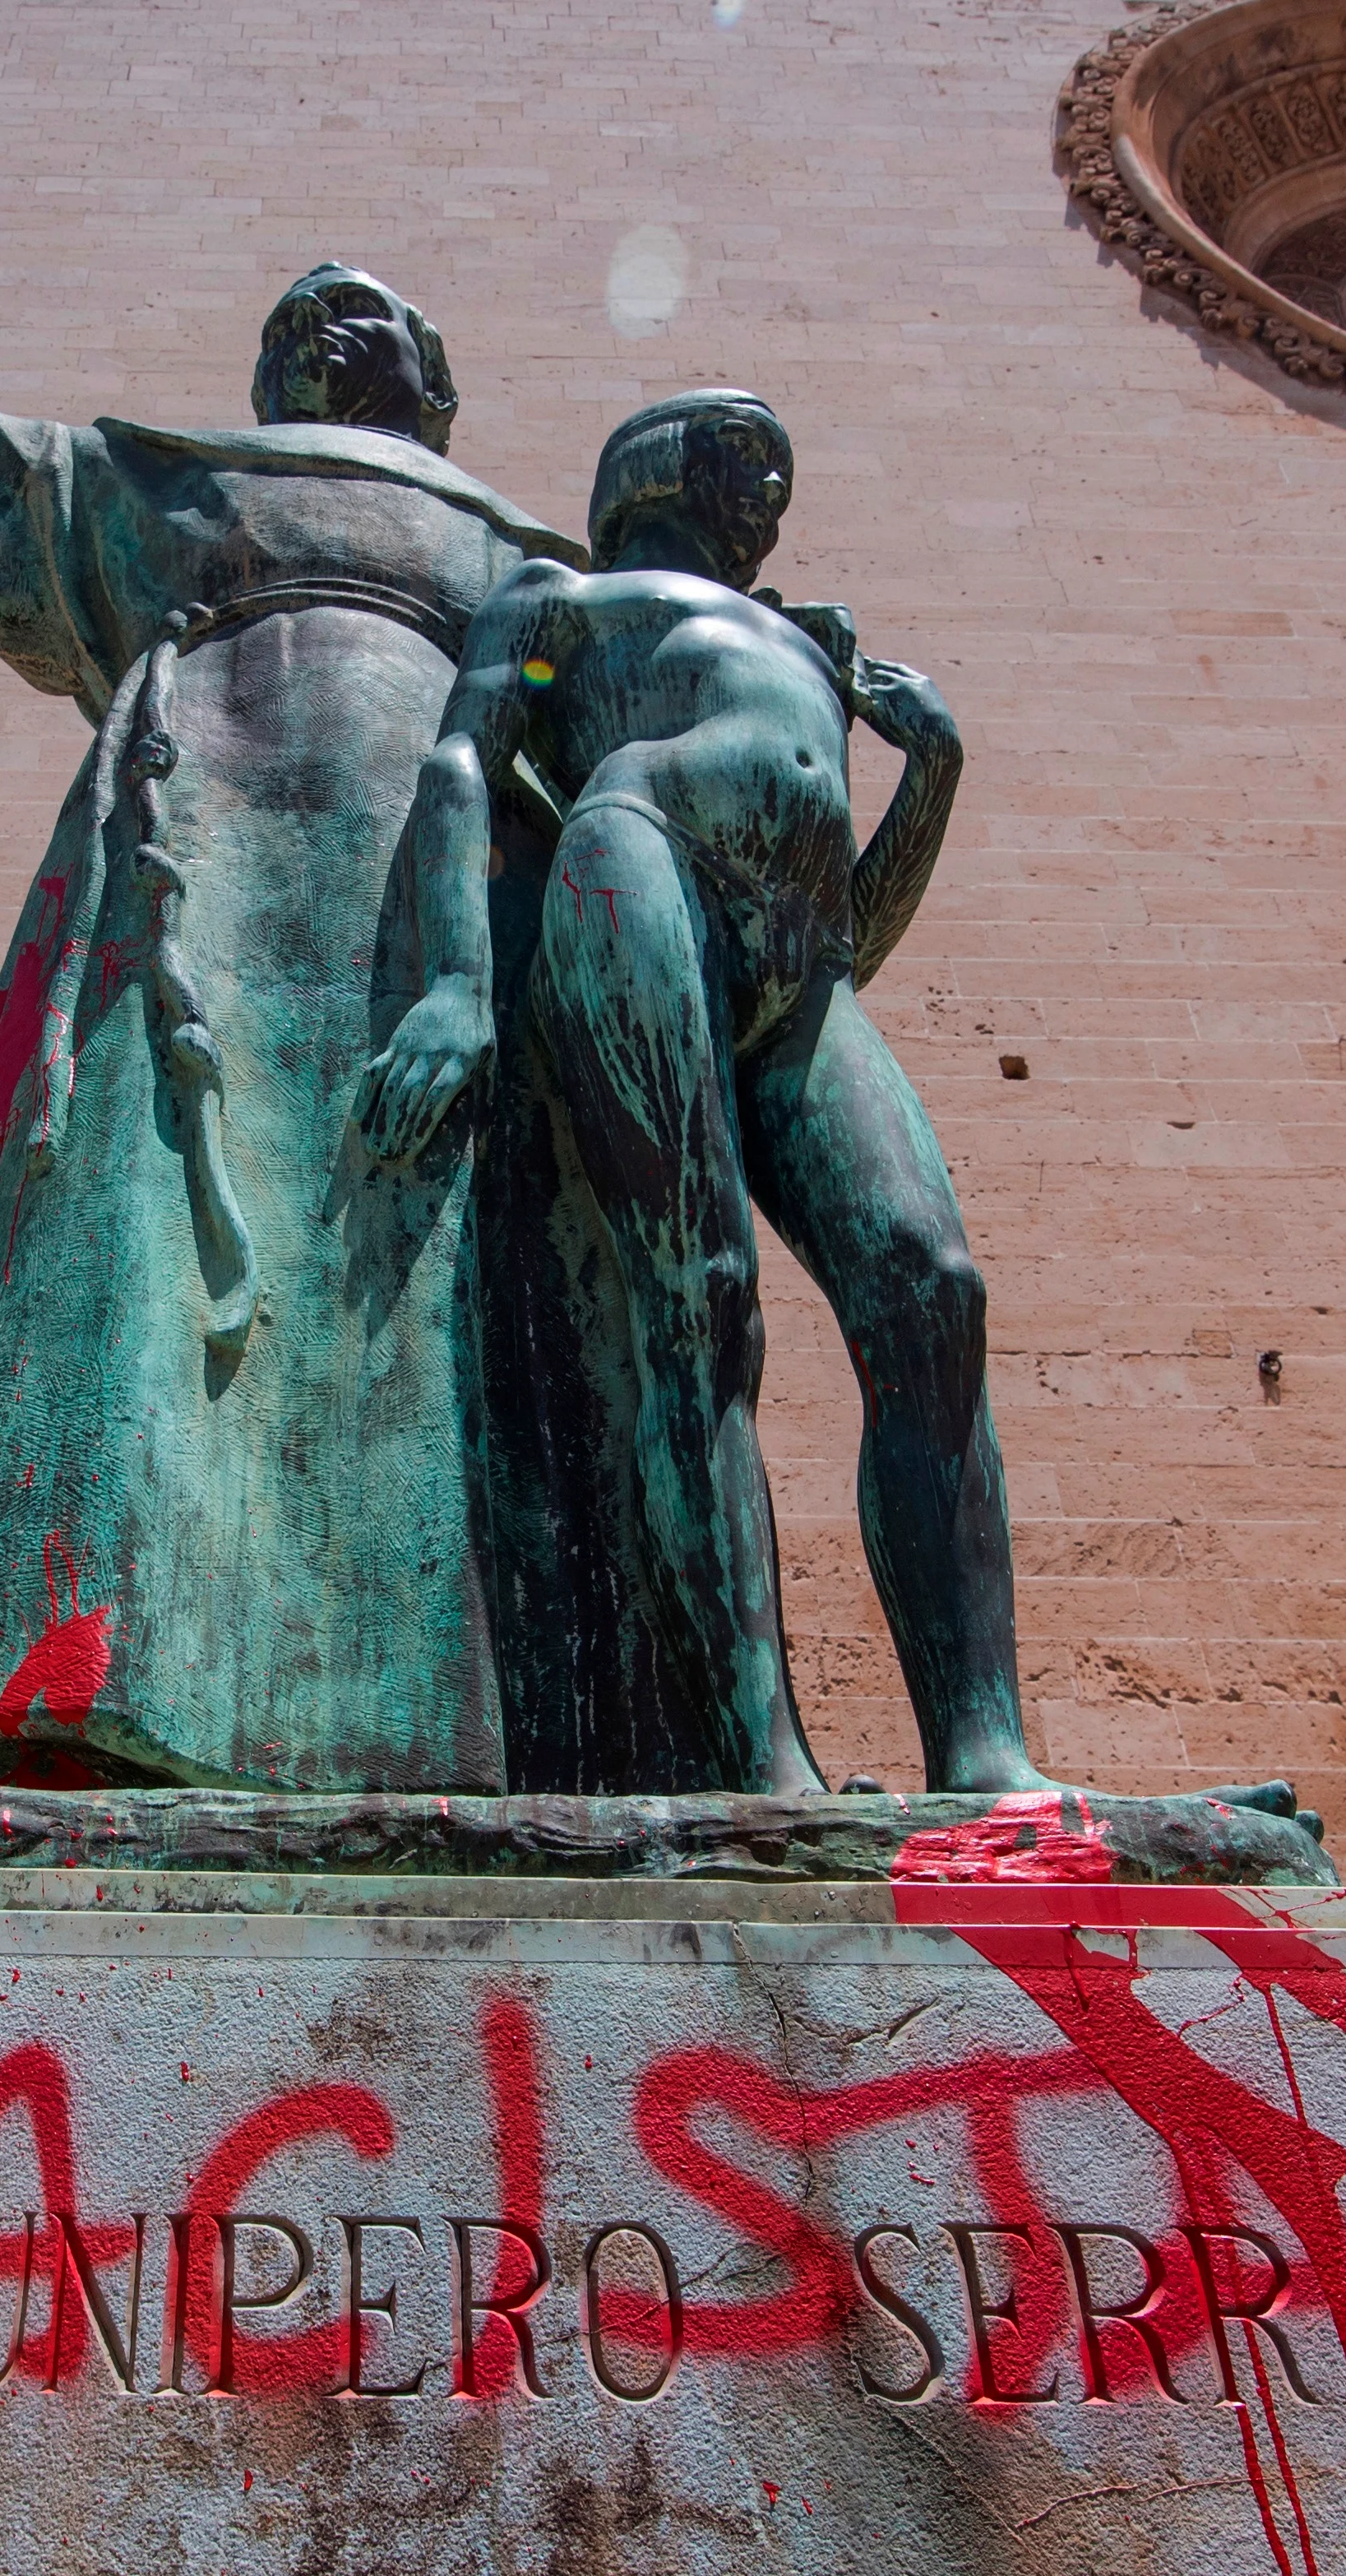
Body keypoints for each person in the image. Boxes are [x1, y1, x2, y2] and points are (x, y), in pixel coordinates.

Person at [0, 9, 580, 1789]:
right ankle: (48, 1726)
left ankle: (468, 1765)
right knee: (127, 1315)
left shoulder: (538, 570)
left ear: (436, 383)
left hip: (457, 961)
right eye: (302, 309)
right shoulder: (142, 494)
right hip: (188, 930)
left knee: (462, 1350)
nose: (337, 315)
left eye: (376, 309)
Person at [354, 391, 1050, 1796]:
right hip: (638, 858)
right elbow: (460, 764)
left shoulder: (805, 639)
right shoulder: (562, 595)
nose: (767, 500)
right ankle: (761, 1761)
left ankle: (986, 1752)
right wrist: (458, 982)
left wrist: (937, 771)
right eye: (745, 470)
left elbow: (851, 925)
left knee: (932, 1291)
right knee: (699, 1303)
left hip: (801, 973)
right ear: (658, 471)